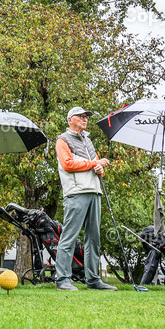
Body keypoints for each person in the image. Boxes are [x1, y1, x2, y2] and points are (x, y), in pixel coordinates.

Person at [54, 107, 117, 291]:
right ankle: (63, 280)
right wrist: (94, 163)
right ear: (69, 119)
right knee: (69, 237)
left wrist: (99, 169)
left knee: (93, 239)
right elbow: (67, 165)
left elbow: (96, 167)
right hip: (76, 193)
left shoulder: (88, 141)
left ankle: (93, 280)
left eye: (86, 116)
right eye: (80, 116)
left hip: (94, 192)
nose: (84, 119)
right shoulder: (62, 140)